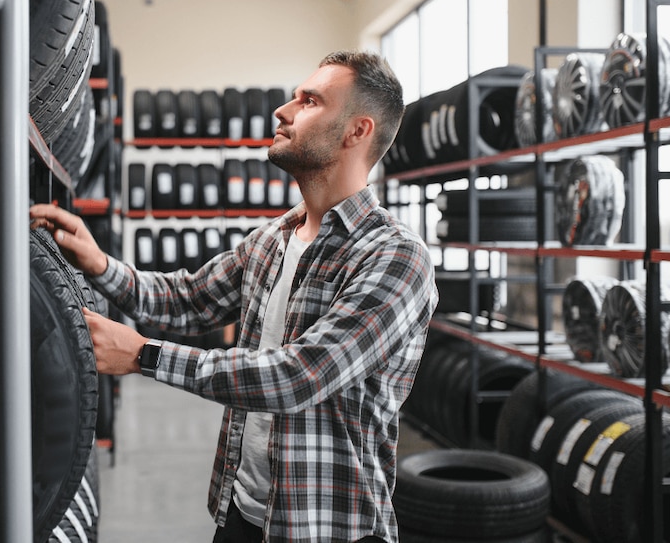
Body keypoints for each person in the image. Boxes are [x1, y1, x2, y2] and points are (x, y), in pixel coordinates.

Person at [29, 49, 438, 543]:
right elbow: (188, 298)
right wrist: (99, 263)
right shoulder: (275, 237)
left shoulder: (395, 257)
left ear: (358, 131)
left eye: (309, 101)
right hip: (242, 513)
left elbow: (299, 376)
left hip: (327, 527)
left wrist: (143, 355)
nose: (282, 112)